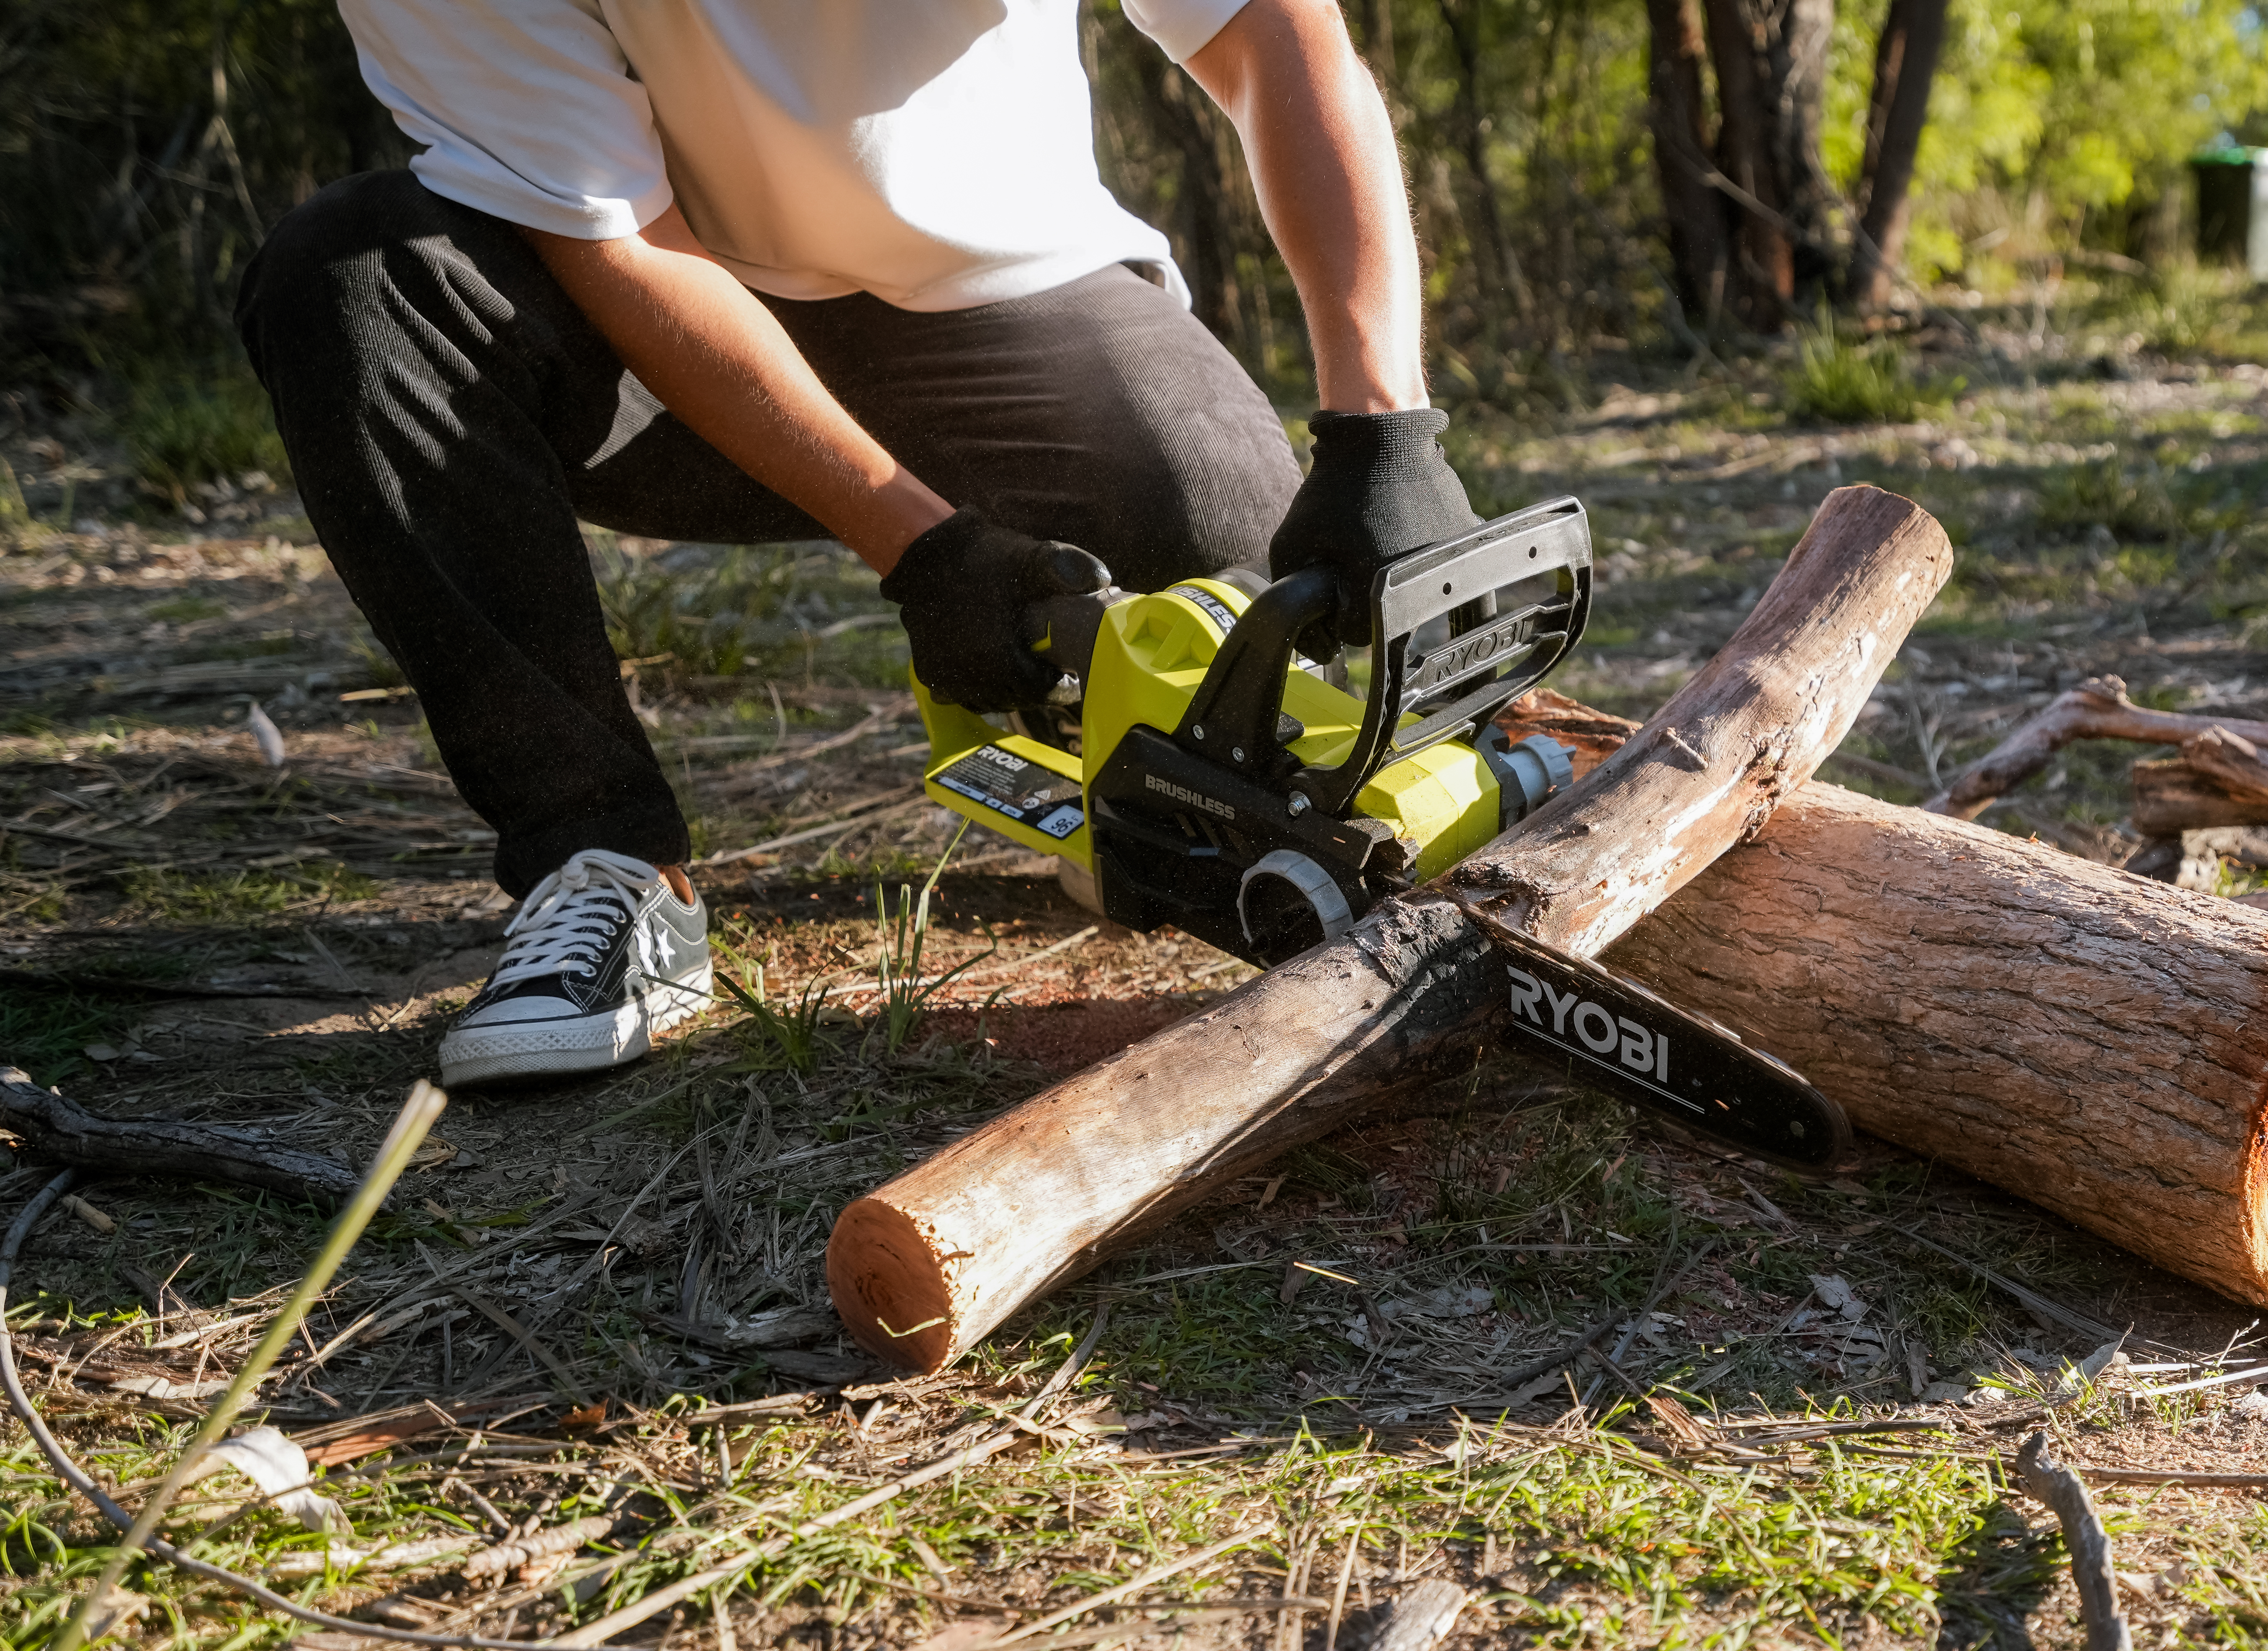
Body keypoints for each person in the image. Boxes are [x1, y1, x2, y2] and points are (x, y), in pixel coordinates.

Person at [237, 0, 1482, 1088]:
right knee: (359, 280)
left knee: (1222, 530)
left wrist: (1386, 427)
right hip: (646, 345)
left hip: (1014, 297)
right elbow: (617, 235)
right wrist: (924, 549)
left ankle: (1127, 794)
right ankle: (604, 858)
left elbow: (1270, 27)